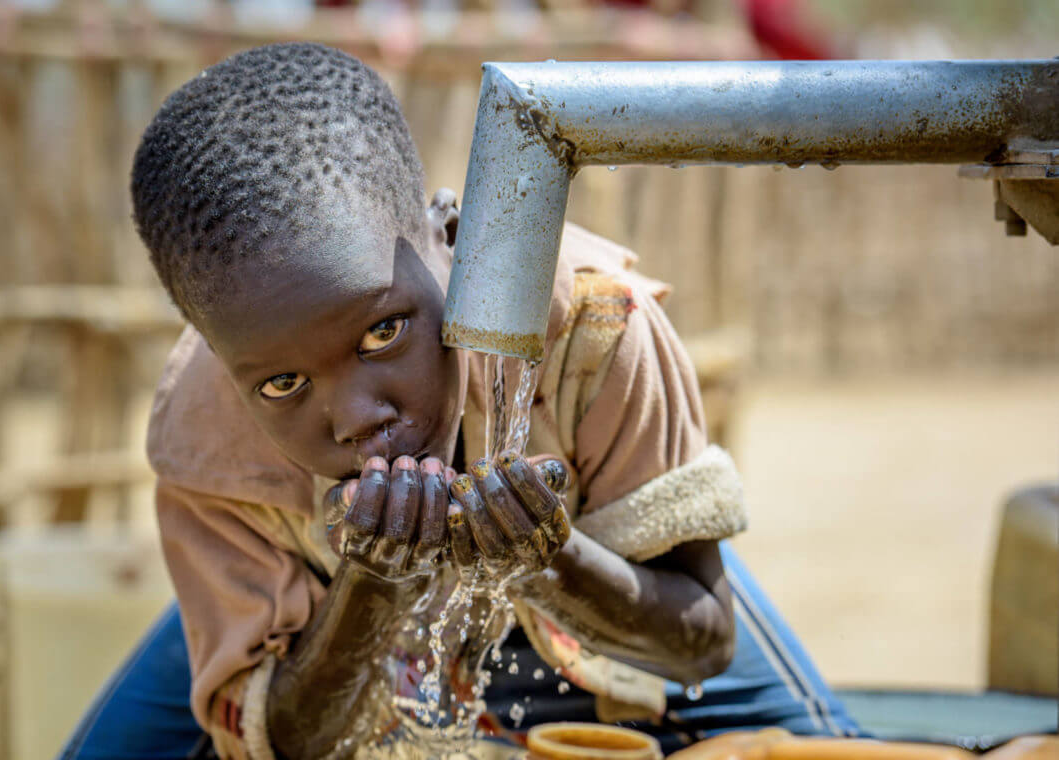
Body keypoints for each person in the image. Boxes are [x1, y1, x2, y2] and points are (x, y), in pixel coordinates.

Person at [59, 43, 861, 760]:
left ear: (451, 238)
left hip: (616, 566)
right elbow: (290, 739)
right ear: (214, 351)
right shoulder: (210, 447)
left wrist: (546, 559)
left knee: (832, 752)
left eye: (382, 332)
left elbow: (703, 643)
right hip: (302, 612)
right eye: (281, 385)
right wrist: (373, 585)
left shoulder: (589, 331)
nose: (356, 418)